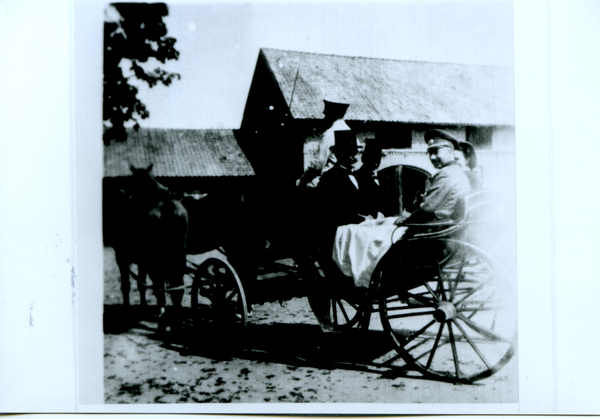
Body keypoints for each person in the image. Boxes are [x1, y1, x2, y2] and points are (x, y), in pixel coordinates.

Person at [398, 129, 472, 225]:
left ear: (450, 153)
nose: (432, 157)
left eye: (436, 152)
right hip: (445, 224)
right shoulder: (456, 170)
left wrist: (403, 222)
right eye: (430, 153)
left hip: (436, 227)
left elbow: (426, 209)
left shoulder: (446, 173)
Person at [297, 100, 351, 188]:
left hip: (329, 181)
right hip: (346, 181)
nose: (324, 117)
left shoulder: (329, 134)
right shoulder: (349, 131)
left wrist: (302, 181)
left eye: (326, 114)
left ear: (333, 113)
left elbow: (318, 163)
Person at [354, 138, 383, 218]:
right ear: (366, 159)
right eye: (373, 160)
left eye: (378, 160)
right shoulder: (358, 177)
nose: (376, 164)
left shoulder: (380, 177)